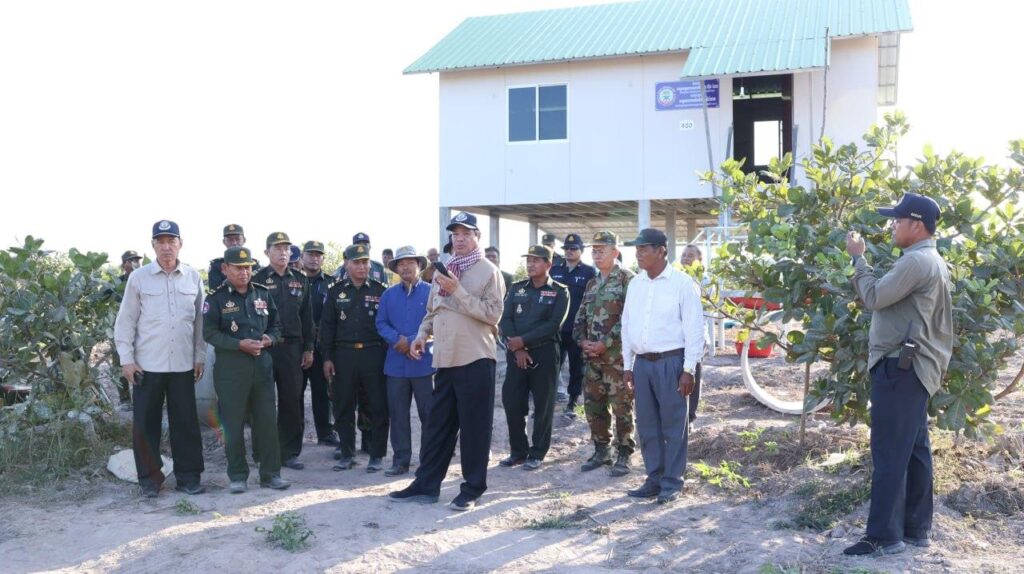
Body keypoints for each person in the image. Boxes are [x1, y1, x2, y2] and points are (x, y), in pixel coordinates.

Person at [842, 193, 953, 557]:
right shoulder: (930, 259)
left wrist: (858, 258)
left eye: (897, 220)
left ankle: (884, 536)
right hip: (914, 369)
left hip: (900, 368)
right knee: (915, 450)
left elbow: (874, 297)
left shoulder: (916, 261)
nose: (892, 226)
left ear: (916, 225)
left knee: (890, 451)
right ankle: (915, 530)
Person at [388, 211, 505, 511]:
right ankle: (426, 485)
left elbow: (493, 314)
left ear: (477, 237)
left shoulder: (488, 271)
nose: (460, 239)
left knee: (474, 429)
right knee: (437, 427)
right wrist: (421, 335)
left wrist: (459, 291)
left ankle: (472, 489)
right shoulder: (444, 270)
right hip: (444, 359)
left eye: (466, 233)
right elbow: (433, 311)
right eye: (455, 234)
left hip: (475, 358)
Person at [114, 220, 206, 498]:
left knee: (185, 423)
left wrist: (199, 356)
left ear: (180, 244)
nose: (166, 247)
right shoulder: (138, 278)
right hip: (147, 365)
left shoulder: (193, 277)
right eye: (160, 242)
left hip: (182, 364)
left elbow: (200, 322)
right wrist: (126, 359)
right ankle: (150, 480)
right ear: (153, 245)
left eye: (171, 241)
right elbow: (126, 321)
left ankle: (189, 478)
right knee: (145, 424)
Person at [621, 228, 704, 505]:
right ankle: (654, 479)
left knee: (674, 425)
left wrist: (688, 370)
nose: (638, 253)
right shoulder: (636, 284)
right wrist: (628, 365)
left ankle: (672, 482)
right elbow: (627, 327)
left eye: (644, 248)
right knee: (647, 425)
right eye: (637, 249)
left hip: (672, 362)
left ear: (661, 251)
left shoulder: (683, 283)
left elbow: (694, 329)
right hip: (643, 364)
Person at [202, 246, 290, 493]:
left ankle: (271, 474)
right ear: (225, 269)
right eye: (238, 268)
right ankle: (238, 476)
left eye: (248, 267)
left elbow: (276, 326)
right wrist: (238, 345)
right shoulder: (216, 299)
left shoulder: (262, 293)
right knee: (233, 425)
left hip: (261, 368)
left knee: (266, 422)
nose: (244, 272)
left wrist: (271, 338)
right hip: (231, 371)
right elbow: (209, 333)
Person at [499, 245, 569, 471]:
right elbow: (505, 319)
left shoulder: (560, 291)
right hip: (516, 354)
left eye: (536, 260)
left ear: (548, 264)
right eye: (528, 260)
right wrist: (518, 348)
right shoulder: (517, 288)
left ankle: (537, 452)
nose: (530, 264)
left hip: (545, 353)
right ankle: (518, 452)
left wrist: (524, 341)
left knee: (543, 405)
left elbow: (553, 325)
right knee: (512, 402)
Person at [321, 244, 389, 472]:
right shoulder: (335, 291)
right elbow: (327, 328)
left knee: (377, 405)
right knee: (343, 405)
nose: (361, 267)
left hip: (373, 354)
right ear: (346, 264)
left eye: (365, 262)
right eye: (356, 262)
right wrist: (327, 358)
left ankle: (376, 455)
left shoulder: (381, 291)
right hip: (343, 355)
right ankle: (347, 454)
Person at [575, 231, 636, 476]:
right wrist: (583, 341)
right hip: (593, 359)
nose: (596, 254)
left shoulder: (627, 279)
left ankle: (624, 452)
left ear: (615, 252)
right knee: (594, 406)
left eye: (602, 250)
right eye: (594, 250)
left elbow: (630, 319)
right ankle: (601, 450)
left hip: (617, 359)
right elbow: (580, 317)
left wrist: (605, 343)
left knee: (622, 407)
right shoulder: (592, 283)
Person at [253, 232, 314, 471]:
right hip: (265, 348)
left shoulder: (300, 279)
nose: (282, 253)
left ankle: (289, 452)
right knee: (262, 401)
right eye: (277, 248)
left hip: (292, 348)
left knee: (292, 401)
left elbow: (307, 317)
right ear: (267, 252)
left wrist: (308, 348)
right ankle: (263, 452)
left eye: (286, 248)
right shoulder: (257, 279)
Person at [375, 246, 435, 476]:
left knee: (428, 414)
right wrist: (397, 341)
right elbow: (381, 323)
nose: (406, 267)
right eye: (401, 264)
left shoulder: (432, 292)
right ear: (396, 269)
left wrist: (411, 342)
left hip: (424, 363)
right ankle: (400, 461)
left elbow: (437, 322)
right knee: (398, 415)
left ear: (419, 266)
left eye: (410, 262)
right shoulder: (388, 295)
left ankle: (429, 461)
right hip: (396, 365)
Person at [549, 233, 596, 415]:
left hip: (577, 330)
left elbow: (591, 301)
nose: (569, 251)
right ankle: (547, 401)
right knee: (551, 367)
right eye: (566, 248)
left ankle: (572, 403)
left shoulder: (589, 272)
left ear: (581, 251)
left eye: (573, 248)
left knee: (577, 368)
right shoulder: (554, 271)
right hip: (556, 329)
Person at [299, 240, 339, 447]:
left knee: (322, 391)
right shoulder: (294, 281)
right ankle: (294, 435)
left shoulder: (332, 284)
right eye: (310, 254)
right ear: (302, 257)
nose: (314, 259)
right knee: (295, 392)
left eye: (318, 255)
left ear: (323, 259)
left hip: (322, 346)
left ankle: (325, 432)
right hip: (298, 347)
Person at [678, 244, 712, 424]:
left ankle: (690, 417)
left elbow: (705, 311)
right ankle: (678, 415)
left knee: (693, 375)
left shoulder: (704, 281)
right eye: (684, 255)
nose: (685, 258)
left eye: (690, 255)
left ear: (700, 260)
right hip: (677, 338)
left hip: (696, 336)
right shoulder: (675, 278)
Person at [111, 250, 143, 410]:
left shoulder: (145, 279)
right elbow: (103, 297)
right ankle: (124, 400)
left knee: (145, 364)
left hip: (143, 331)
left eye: (137, 260)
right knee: (120, 363)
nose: (135, 263)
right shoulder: (118, 283)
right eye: (131, 261)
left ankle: (144, 399)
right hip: (122, 330)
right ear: (124, 265)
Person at [207, 224, 254, 293]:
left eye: (237, 239)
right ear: (224, 242)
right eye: (230, 240)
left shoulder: (254, 264)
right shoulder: (216, 266)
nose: (234, 243)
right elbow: (215, 291)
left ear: (244, 240)